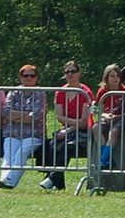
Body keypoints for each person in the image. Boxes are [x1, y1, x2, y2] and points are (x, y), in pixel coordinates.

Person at [40, 61, 94, 190]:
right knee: (51, 144)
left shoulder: (85, 92)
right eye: (67, 72)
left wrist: (69, 128)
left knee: (68, 146)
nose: (70, 74)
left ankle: (52, 178)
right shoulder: (60, 92)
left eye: (73, 71)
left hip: (84, 132)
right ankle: (59, 185)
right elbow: (59, 116)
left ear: (79, 73)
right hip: (69, 130)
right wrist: (69, 127)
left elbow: (84, 121)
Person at [0, 64, 47, 189]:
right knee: (9, 154)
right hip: (12, 132)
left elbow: (36, 116)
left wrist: (16, 115)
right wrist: (26, 114)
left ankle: (8, 181)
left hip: (34, 134)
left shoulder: (40, 93)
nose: (29, 78)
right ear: (20, 77)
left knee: (21, 153)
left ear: (36, 78)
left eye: (32, 75)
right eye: (25, 75)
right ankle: (5, 180)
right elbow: (6, 112)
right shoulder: (14, 92)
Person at [95, 63, 125, 179]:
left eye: (117, 76)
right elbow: (99, 110)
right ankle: (107, 159)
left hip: (121, 119)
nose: (115, 79)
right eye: (112, 76)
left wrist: (116, 117)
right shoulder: (102, 91)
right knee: (95, 128)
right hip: (106, 118)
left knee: (113, 132)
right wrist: (105, 116)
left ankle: (102, 159)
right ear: (106, 78)